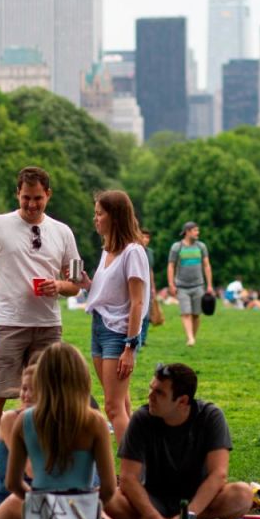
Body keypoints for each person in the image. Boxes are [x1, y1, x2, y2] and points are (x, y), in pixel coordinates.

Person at [0, 166, 81, 461]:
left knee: (47, 397)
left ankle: (39, 460)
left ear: (48, 196)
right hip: (7, 322)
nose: (31, 205)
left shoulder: (63, 232)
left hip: (48, 325)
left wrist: (60, 285)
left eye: (38, 198)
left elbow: (77, 283)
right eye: (26, 198)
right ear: (17, 193)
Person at [105, 362, 260, 519]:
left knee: (242, 495)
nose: (150, 396)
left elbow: (218, 474)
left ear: (182, 401)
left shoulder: (210, 417)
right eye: (151, 389)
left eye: (159, 393)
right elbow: (128, 478)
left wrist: (189, 514)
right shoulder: (141, 419)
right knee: (105, 497)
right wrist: (152, 516)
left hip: (199, 501)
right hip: (153, 500)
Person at [5, 343, 121, 519]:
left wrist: (40, 503)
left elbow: (12, 483)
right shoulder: (94, 422)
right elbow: (110, 488)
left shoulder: (24, 421)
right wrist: (86, 504)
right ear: (82, 378)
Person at [82, 190, 148, 445]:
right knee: (122, 404)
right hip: (99, 327)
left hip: (118, 334)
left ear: (116, 217)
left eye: (100, 214)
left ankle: (131, 473)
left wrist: (130, 346)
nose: (95, 219)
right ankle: (139, 465)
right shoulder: (108, 250)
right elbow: (106, 293)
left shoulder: (133, 252)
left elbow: (137, 302)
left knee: (113, 407)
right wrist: (86, 283)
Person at [0, 360, 38, 519]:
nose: (26, 395)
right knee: (22, 501)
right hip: (8, 503)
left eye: (34, 389)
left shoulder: (54, 423)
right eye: (24, 388)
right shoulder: (11, 420)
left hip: (46, 501)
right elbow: (32, 471)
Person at [167, 221, 214, 347]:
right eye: (195, 231)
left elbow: (206, 265)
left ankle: (192, 336)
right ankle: (190, 338)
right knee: (185, 312)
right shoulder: (177, 247)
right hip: (181, 286)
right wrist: (171, 284)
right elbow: (171, 266)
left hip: (198, 285)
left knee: (196, 314)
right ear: (187, 231)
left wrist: (209, 285)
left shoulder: (201, 247)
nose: (197, 233)